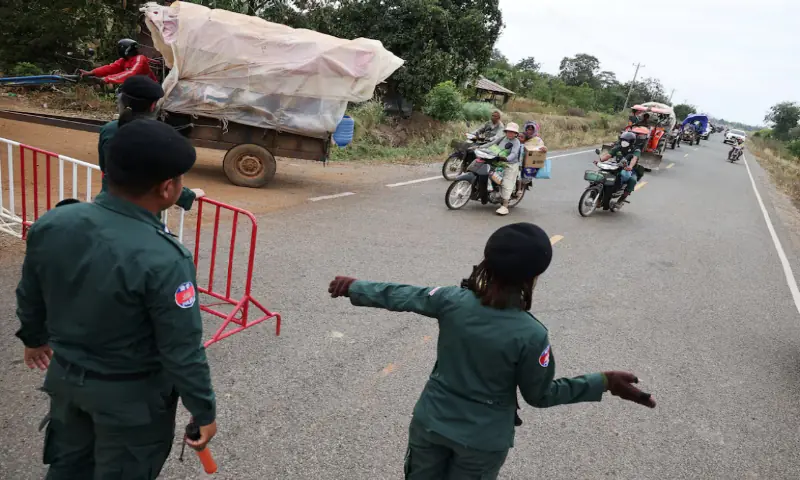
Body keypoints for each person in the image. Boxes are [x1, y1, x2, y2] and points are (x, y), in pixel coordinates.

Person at [327, 222, 656, 480]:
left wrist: (354, 287)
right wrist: (604, 381)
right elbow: (539, 396)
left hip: (430, 424)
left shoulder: (452, 301)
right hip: (482, 443)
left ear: (487, 261)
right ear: (535, 275)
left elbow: (404, 295)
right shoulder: (532, 334)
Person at [16, 118, 218, 479]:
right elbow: (182, 350)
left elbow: (30, 291)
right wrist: (204, 411)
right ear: (168, 188)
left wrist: (34, 339)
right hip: (130, 401)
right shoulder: (166, 258)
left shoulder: (53, 223)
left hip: (67, 383)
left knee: (67, 469)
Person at [98, 75, 203, 211]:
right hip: (141, 210)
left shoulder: (109, 130)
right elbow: (157, 179)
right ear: (153, 105)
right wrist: (189, 195)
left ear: (122, 100)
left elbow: (104, 167)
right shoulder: (160, 136)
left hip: (107, 203)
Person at [484, 122, 522, 216]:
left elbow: (514, 153)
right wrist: (478, 147)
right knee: (487, 171)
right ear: (506, 131)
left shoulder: (516, 142)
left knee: (506, 183)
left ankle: (505, 206)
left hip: (510, 164)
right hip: (498, 161)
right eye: (509, 131)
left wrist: (507, 158)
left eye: (512, 132)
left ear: (516, 133)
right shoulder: (502, 138)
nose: (510, 133)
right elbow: (491, 144)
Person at [81, 39, 157, 85]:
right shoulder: (124, 61)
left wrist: (107, 79)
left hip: (149, 87)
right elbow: (110, 68)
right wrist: (92, 72)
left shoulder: (140, 58)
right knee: (121, 91)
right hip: (138, 86)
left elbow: (131, 73)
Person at [597, 131, 643, 206]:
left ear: (631, 142)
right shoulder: (618, 147)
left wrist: (630, 167)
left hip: (630, 170)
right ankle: (598, 196)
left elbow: (634, 159)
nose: (624, 142)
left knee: (632, 180)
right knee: (602, 174)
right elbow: (608, 155)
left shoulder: (636, 150)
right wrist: (600, 160)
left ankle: (621, 200)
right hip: (617, 166)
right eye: (622, 140)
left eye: (626, 141)